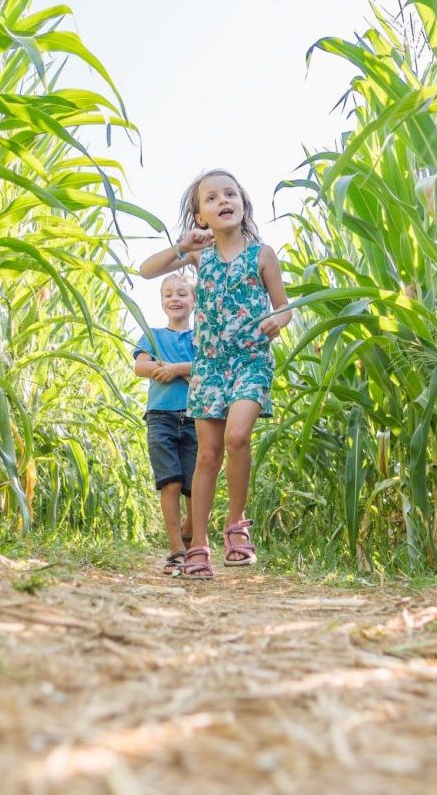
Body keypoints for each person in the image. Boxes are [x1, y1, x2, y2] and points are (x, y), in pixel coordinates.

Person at [137, 168, 290, 580]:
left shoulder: (262, 255)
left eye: (231, 193)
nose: (224, 200)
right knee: (207, 455)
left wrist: (280, 320)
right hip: (210, 366)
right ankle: (198, 544)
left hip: (250, 361)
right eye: (212, 197)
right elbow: (146, 271)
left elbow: (284, 305)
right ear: (200, 216)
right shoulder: (199, 256)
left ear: (242, 204)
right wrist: (179, 247)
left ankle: (236, 522)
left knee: (237, 435)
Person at [132, 272, 197, 576]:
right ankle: (177, 550)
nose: (175, 299)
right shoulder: (153, 335)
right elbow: (140, 367)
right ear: (161, 302)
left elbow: (206, 372)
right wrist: (166, 368)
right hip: (160, 417)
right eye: (168, 294)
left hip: (197, 417)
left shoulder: (201, 338)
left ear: (194, 301)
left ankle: (190, 530)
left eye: (182, 294)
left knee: (195, 488)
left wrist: (178, 368)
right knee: (169, 482)